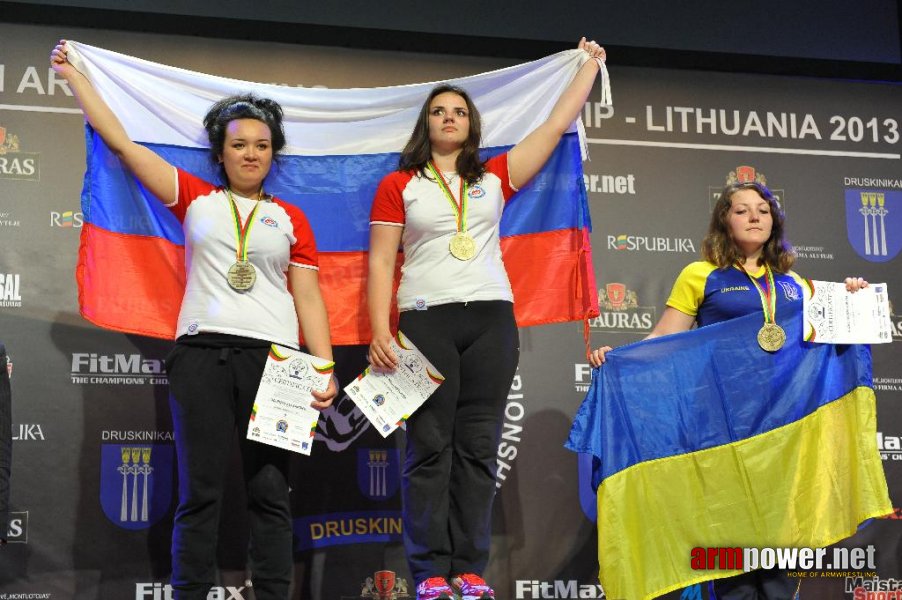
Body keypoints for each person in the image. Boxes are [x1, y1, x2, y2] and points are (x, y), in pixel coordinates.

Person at [51, 41, 338, 600]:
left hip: (278, 363)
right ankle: (189, 592)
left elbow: (308, 297)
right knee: (200, 491)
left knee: (271, 492)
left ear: (272, 153)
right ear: (221, 151)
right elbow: (123, 144)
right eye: (239, 144)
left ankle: (275, 593)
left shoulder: (291, 218)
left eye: (261, 145)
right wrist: (75, 78)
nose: (250, 154)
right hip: (201, 356)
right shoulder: (196, 198)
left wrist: (323, 366)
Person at [367, 38, 607, 600]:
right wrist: (381, 330)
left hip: (492, 322)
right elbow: (381, 260)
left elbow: (551, 129)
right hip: (424, 322)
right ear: (426, 124)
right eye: (439, 111)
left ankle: (468, 571)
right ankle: (429, 574)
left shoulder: (494, 177)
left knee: (477, 449)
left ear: (472, 125)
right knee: (429, 450)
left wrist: (588, 69)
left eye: (459, 111)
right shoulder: (398, 185)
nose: (449, 117)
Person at [589, 180, 867, 600]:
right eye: (742, 210)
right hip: (719, 426)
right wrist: (618, 358)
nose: (754, 217)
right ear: (724, 219)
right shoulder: (701, 274)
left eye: (763, 210)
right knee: (729, 542)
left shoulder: (794, 283)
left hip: (781, 427)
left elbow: (828, 341)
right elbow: (665, 338)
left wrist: (852, 298)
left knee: (778, 546)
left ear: (774, 221)